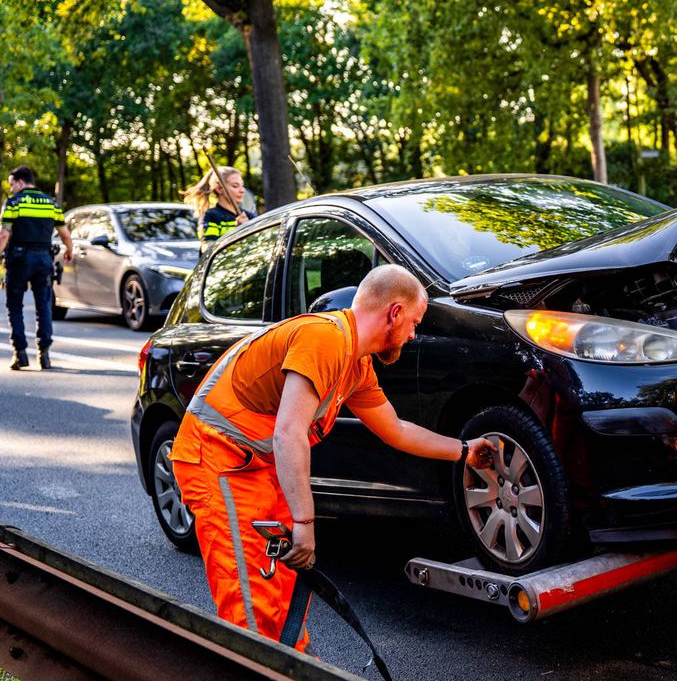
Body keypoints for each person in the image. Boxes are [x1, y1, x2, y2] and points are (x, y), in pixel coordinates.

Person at [169, 264, 495, 651]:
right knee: (250, 600)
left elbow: (397, 430)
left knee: (282, 579)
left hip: (255, 466)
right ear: (394, 312)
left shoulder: (355, 364)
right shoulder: (324, 339)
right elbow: (289, 432)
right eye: (413, 323)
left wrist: (464, 451)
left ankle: (295, 673)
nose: (412, 334)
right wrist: (305, 522)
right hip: (217, 460)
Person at [0, 166, 73, 371]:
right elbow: (64, 233)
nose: (11, 187)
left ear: (21, 182)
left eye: (12, 183)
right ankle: (45, 355)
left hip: (19, 260)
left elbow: (4, 235)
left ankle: (20, 354)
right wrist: (70, 250)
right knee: (44, 306)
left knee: (15, 306)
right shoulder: (51, 203)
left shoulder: (14, 202)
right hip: (44, 259)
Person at [181, 165, 256, 252]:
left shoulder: (249, 216)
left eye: (242, 185)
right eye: (235, 186)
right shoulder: (211, 216)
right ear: (220, 189)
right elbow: (207, 249)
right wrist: (237, 232)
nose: (242, 190)